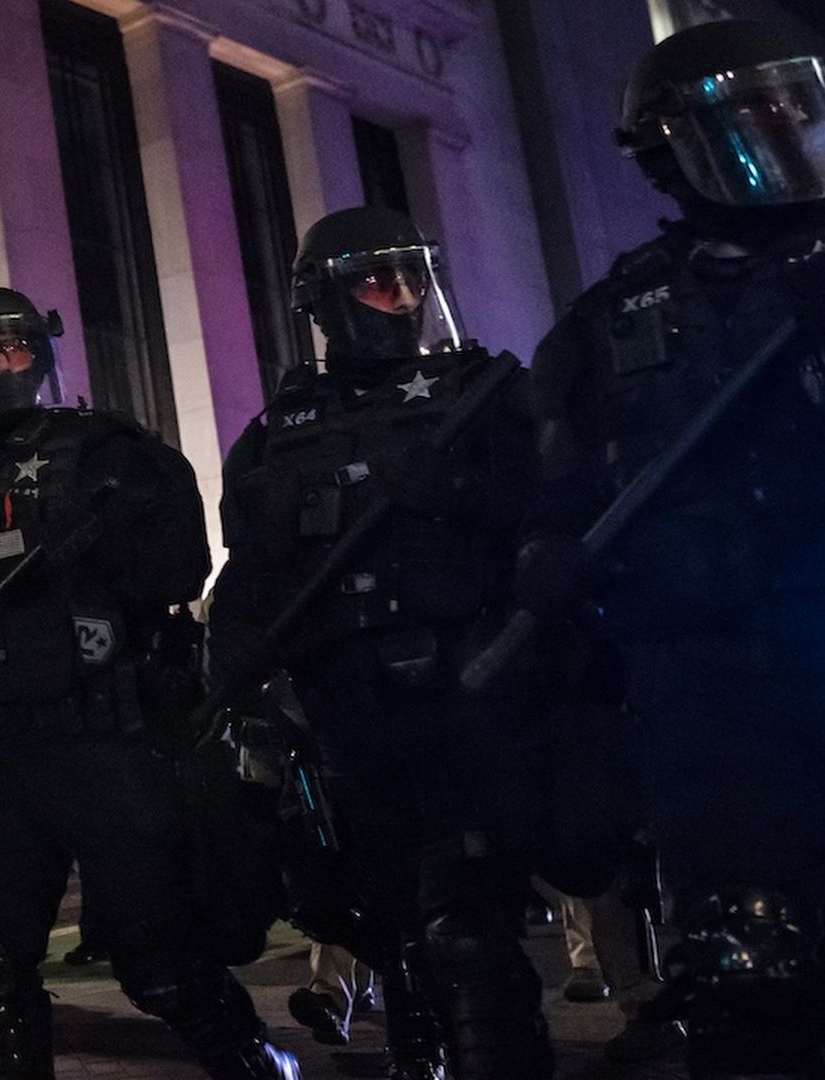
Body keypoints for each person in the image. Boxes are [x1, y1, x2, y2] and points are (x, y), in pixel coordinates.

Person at [520, 20, 825, 1076]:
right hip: (710, 699)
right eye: (754, 117)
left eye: (795, 106)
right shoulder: (614, 317)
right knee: (751, 983)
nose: (785, 132)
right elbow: (554, 486)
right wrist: (552, 562)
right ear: (669, 154)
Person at [0, 286, 295, 1079]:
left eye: (15, 348)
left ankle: (256, 1064)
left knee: (159, 962)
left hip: (107, 741)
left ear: (41, 355)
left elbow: (182, 563)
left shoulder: (105, 450)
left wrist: (99, 551)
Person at [206, 208, 549, 1079]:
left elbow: (559, 523)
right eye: (375, 282)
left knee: (468, 931)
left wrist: (468, 495)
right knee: (375, 912)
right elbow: (251, 569)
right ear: (323, 302)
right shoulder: (279, 432)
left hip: (460, 697)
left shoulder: (480, 396)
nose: (401, 300)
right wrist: (237, 668)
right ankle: (414, 1044)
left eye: (410, 279)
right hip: (343, 715)